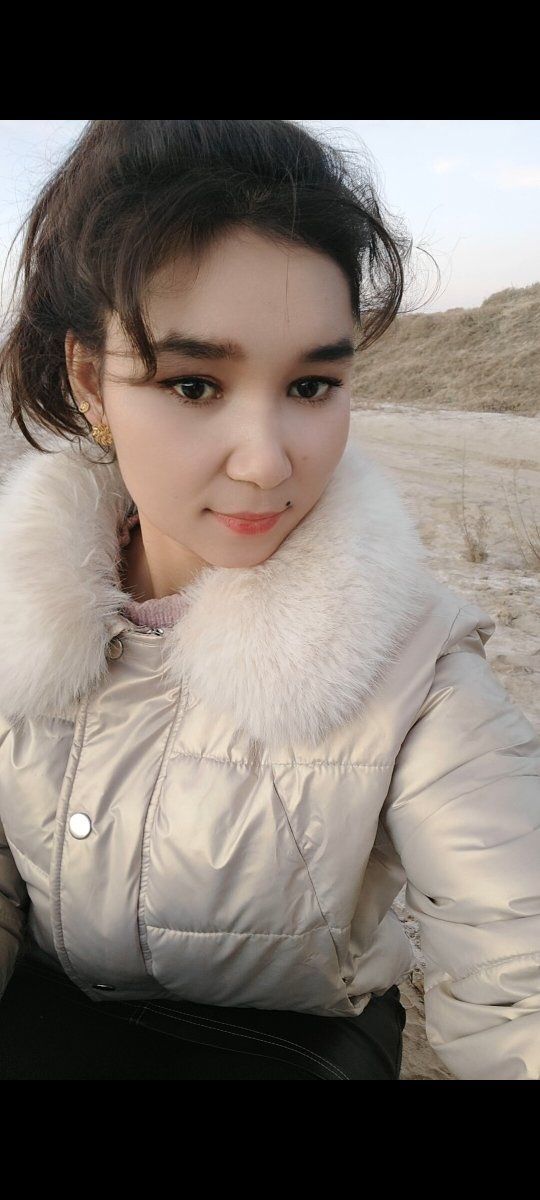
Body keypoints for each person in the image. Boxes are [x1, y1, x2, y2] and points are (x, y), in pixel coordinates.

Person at [0, 120, 538, 1081]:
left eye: (313, 384)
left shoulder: (414, 665)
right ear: (89, 381)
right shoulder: (13, 604)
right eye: (194, 385)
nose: (266, 462)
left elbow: (519, 970)